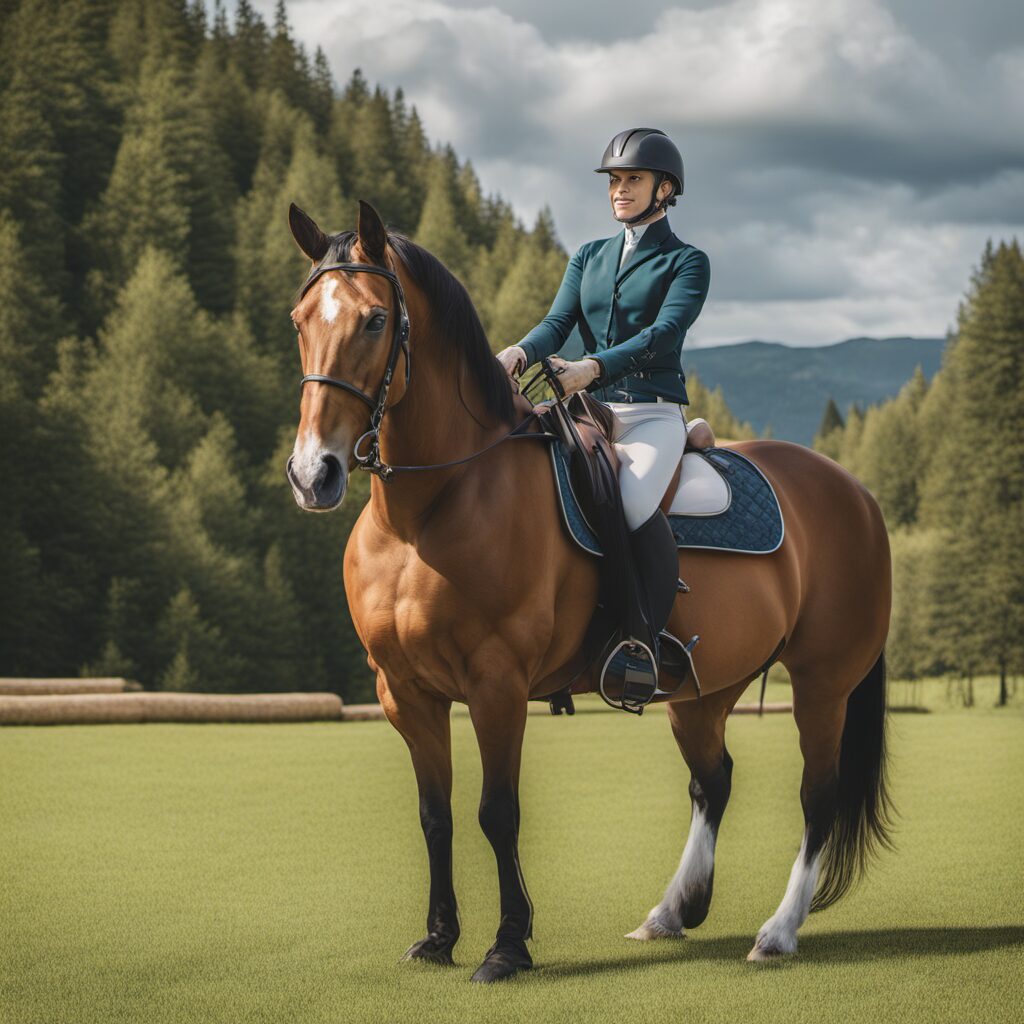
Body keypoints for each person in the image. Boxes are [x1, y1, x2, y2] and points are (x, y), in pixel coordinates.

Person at [496, 127, 711, 709]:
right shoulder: (588, 256)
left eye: (632, 180)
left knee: (632, 505)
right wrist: (519, 352)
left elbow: (661, 334)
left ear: (665, 189)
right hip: (584, 412)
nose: (619, 190)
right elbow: (556, 323)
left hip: (649, 416)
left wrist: (592, 368)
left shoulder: (687, 262)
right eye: (615, 181)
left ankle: (640, 642)